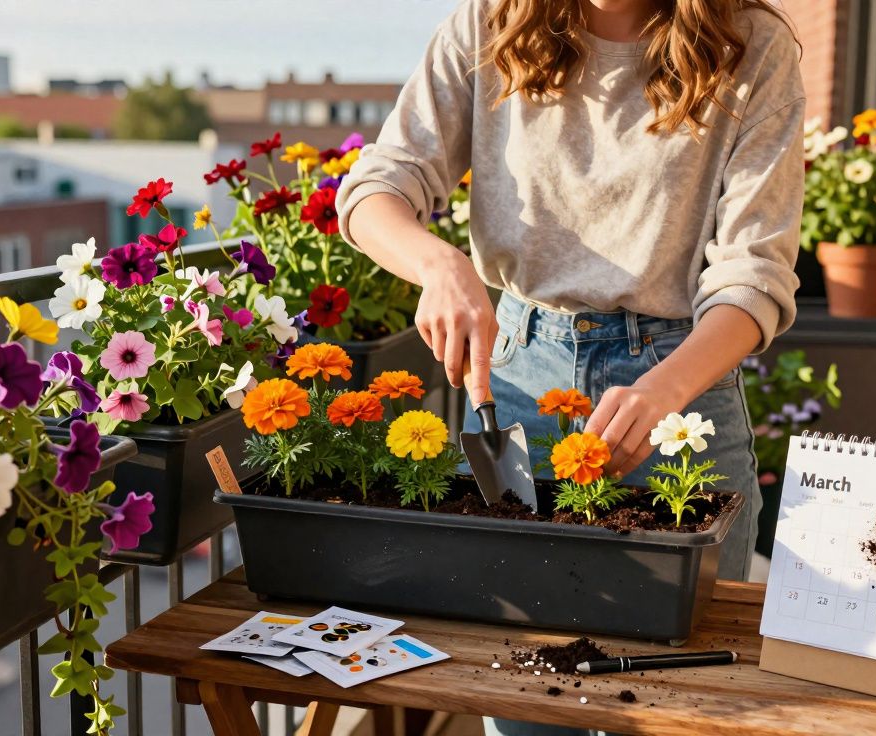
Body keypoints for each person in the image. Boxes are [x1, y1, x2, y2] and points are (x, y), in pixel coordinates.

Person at [337, 0, 802, 731]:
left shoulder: (752, 47)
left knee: (683, 702)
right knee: (522, 699)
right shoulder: (489, 27)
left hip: (683, 392)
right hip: (518, 386)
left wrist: (667, 387)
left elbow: (756, 275)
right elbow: (375, 191)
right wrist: (438, 264)